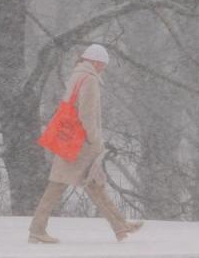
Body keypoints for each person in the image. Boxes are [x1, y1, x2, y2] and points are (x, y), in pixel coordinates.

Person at [28, 43, 143, 243]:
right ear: (96, 62)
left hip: (70, 141)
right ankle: (37, 230)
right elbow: (87, 115)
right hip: (80, 144)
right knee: (60, 186)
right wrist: (95, 140)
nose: (103, 69)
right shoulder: (89, 80)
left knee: (93, 184)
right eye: (103, 65)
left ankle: (120, 226)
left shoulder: (77, 75)